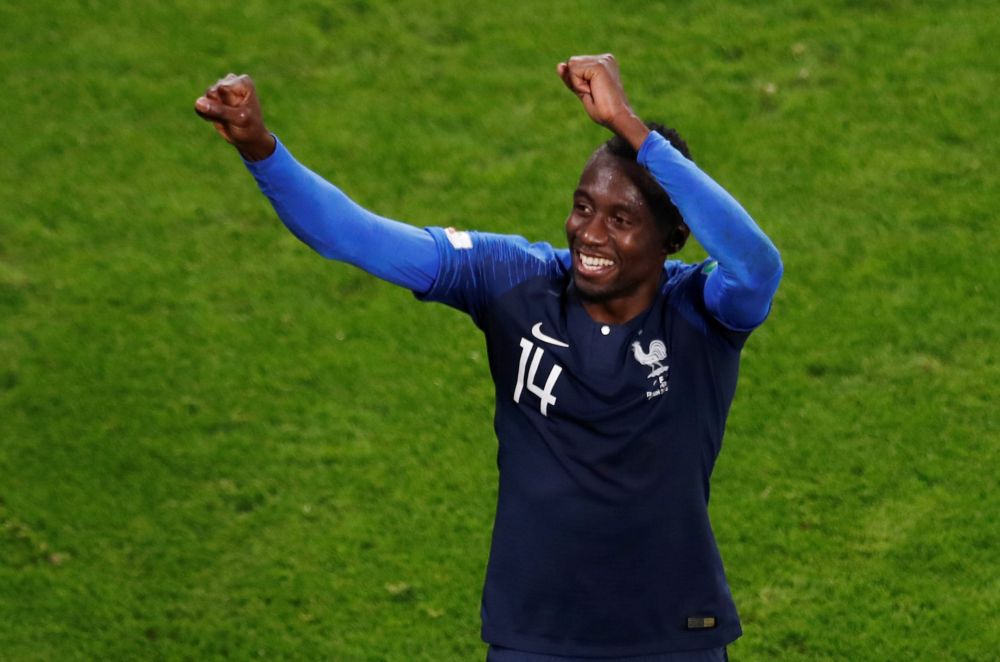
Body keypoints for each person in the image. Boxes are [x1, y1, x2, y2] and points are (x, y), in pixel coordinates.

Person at [195, 53, 782, 662]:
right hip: (535, 636)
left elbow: (758, 266)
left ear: (673, 239)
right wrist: (261, 149)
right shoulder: (513, 279)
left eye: (622, 219)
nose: (590, 233)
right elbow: (354, 234)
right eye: (583, 207)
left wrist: (630, 127)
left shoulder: (700, 311)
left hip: (674, 634)